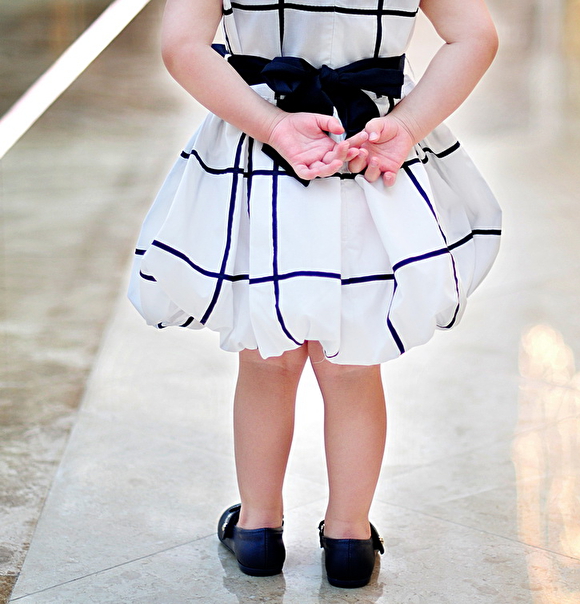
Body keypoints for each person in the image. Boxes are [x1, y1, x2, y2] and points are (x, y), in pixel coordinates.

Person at [128, 0, 501, 589]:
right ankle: (349, 539)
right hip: (369, 152)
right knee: (353, 368)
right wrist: (406, 127)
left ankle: (257, 529)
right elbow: (475, 36)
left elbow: (182, 46)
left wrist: (274, 126)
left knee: (266, 361)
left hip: (258, 154)